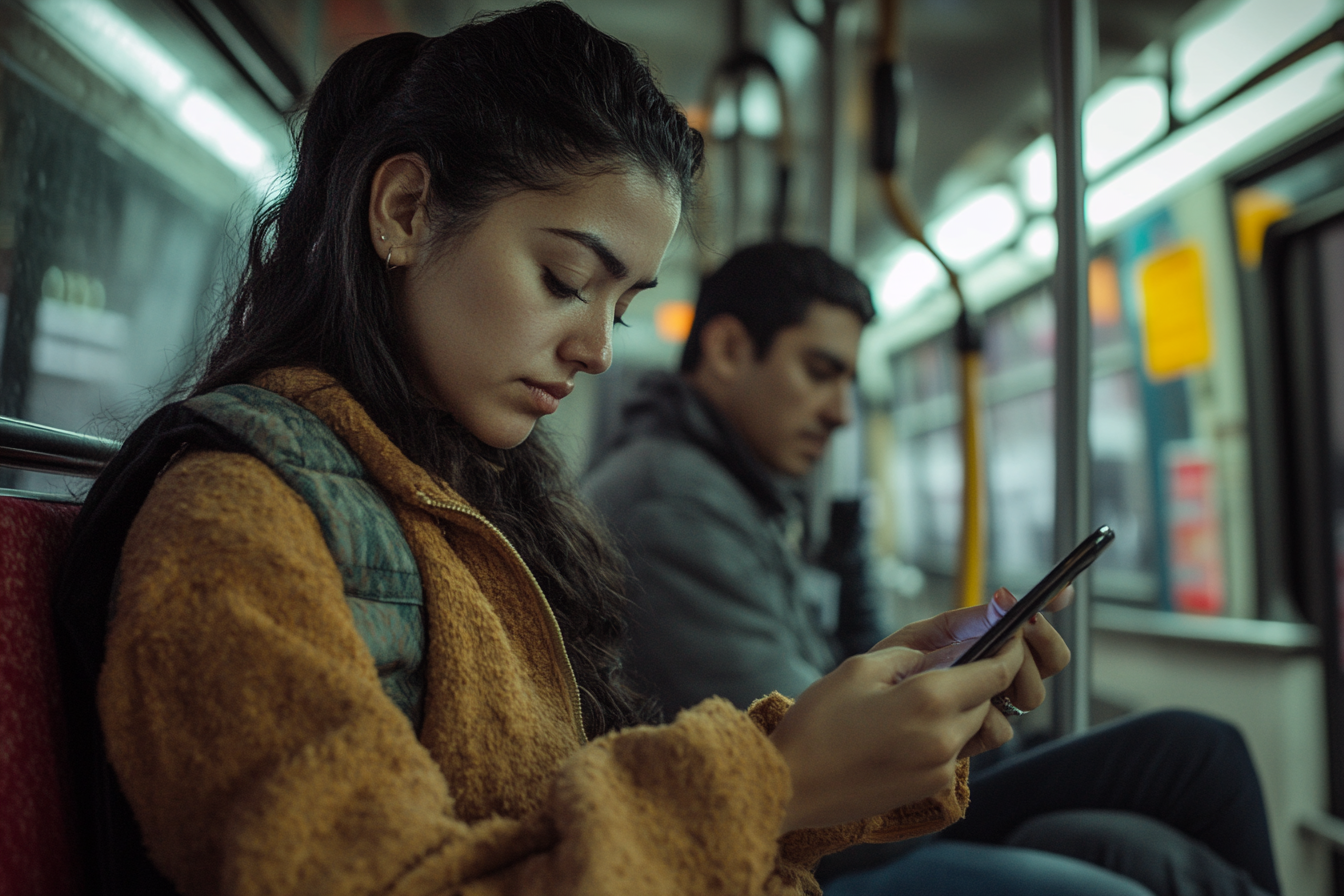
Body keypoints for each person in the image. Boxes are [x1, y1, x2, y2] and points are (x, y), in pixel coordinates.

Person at [52, 7, 1066, 895]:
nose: (598, 348)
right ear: (406, 212)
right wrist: (783, 779)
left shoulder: (484, 505)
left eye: (623, 304)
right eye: (565, 277)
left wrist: (836, 757)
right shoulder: (236, 520)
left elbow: (565, 826)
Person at [583, 241, 1283, 896]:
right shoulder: (672, 505)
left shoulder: (729, 492)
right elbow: (822, 753)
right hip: (807, 841)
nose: (838, 414)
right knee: (1195, 754)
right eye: (819, 373)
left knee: (1108, 841)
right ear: (731, 350)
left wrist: (949, 668)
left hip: (825, 817)